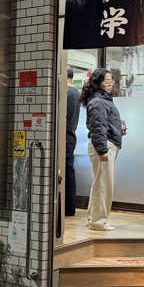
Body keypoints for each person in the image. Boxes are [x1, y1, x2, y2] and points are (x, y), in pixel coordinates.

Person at [81, 68, 124, 231]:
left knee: (100, 183)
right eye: (107, 80)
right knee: (104, 185)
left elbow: (102, 124)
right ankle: (98, 221)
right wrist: (103, 150)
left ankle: (93, 218)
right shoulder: (99, 101)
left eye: (111, 80)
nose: (110, 83)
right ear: (99, 82)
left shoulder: (101, 100)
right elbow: (98, 127)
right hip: (104, 146)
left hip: (105, 144)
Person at [65, 67, 80, 217]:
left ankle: (68, 208)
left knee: (67, 172)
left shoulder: (66, 92)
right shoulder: (76, 92)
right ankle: (70, 208)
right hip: (71, 135)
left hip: (64, 136)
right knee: (70, 170)